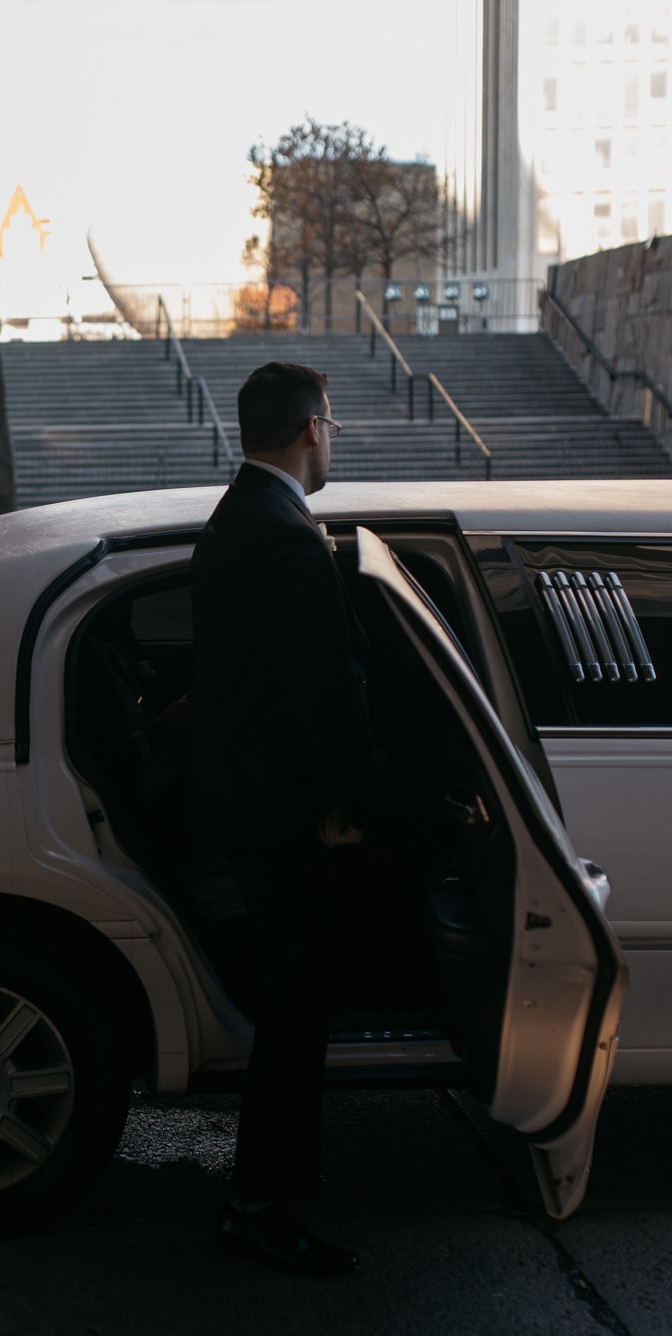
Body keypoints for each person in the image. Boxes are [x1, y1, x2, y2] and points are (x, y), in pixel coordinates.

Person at [186, 360, 403, 1276]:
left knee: (291, 1011)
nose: (336, 436)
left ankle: (265, 1193)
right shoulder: (280, 534)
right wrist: (346, 806)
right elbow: (317, 697)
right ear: (313, 427)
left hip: (256, 808)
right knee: (294, 1021)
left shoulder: (246, 515)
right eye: (334, 424)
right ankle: (260, 1204)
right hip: (289, 823)